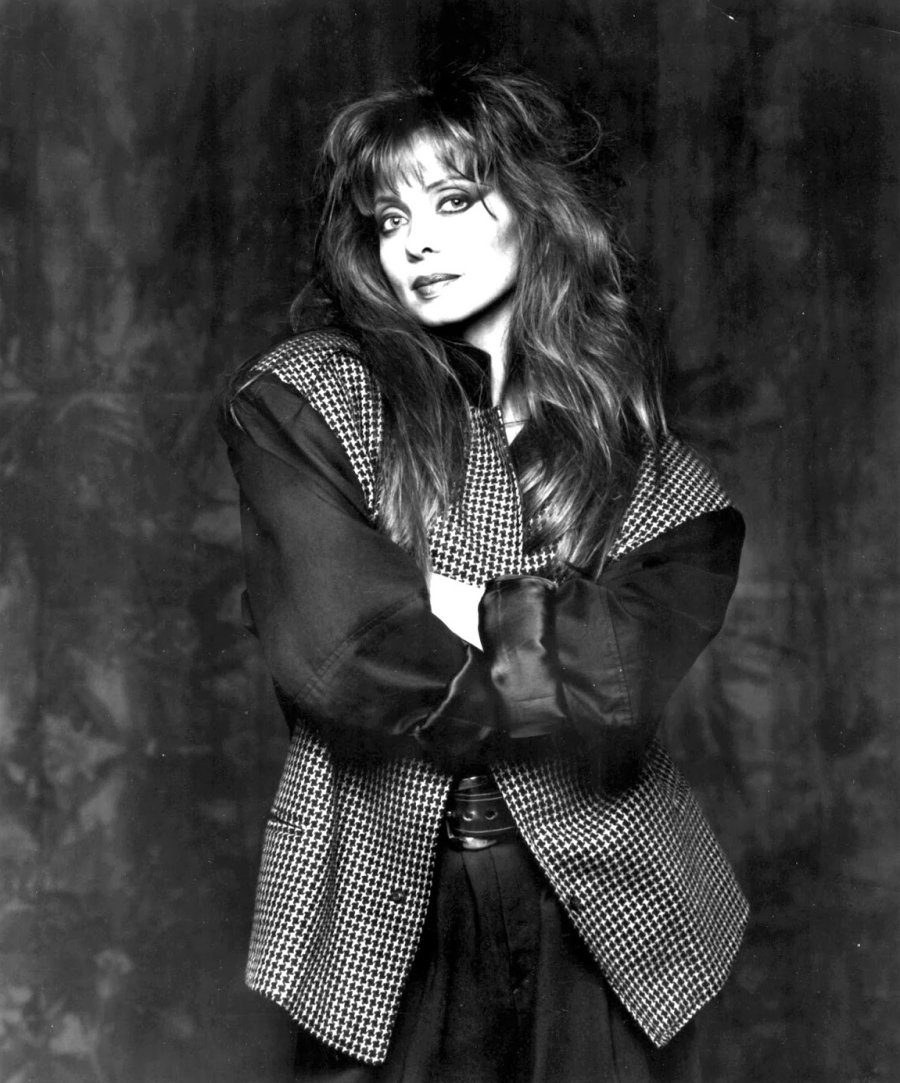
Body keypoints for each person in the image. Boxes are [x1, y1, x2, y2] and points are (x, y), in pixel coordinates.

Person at [220, 67, 748, 1083]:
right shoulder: (302, 400)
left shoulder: (659, 477)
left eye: (454, 201)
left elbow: (621, 683)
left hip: (624, 922)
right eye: (388, 219)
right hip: (378, 918)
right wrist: (550, 638)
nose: (415, 243)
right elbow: (350, 650)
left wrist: (437, 594)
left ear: (537, 212)